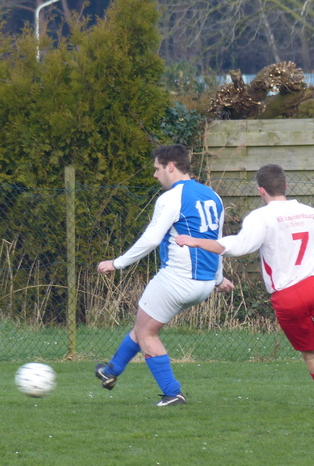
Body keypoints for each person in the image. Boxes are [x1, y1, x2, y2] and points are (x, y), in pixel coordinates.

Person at [176, 164, 314, 408]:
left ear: (261, 190)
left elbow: (238, 246)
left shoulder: (261, 217)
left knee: (311, 354)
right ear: (286, 186)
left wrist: (197, 241)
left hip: (287, 296)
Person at [95, 144, 234, 406]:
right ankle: (110, 371)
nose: (155, 175)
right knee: (143, 326)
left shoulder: (172, 197)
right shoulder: (213, 196)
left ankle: (173, 392)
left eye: (157, 169)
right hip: (202, 284)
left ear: (171, 167)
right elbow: (217, 242)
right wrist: (217, 279)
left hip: (177, 278)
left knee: (147, 334)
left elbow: (151, 240)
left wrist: (118, 263)